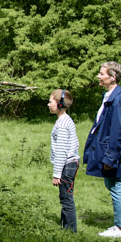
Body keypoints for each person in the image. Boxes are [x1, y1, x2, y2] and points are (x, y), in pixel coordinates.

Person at [84, 61, 121, 238]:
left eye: (102, 74)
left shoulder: (117, 101)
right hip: (109, 150)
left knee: (116, 186)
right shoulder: (109, 96)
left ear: (112, 77)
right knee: (114, 184)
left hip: (113, 152)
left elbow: (118, 133)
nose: (98, 76)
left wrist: (110, 158)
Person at [48, 89, 79, 232]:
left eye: (50, 101)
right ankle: (65, 226)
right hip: (69, 163)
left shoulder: (62, 125)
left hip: (67, 164)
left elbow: (61, 151)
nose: (48, 104)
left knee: (66, 197)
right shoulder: (65, 120)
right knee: (65, 195)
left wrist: (56, 174)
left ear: (59, 104)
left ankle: (71, 230)